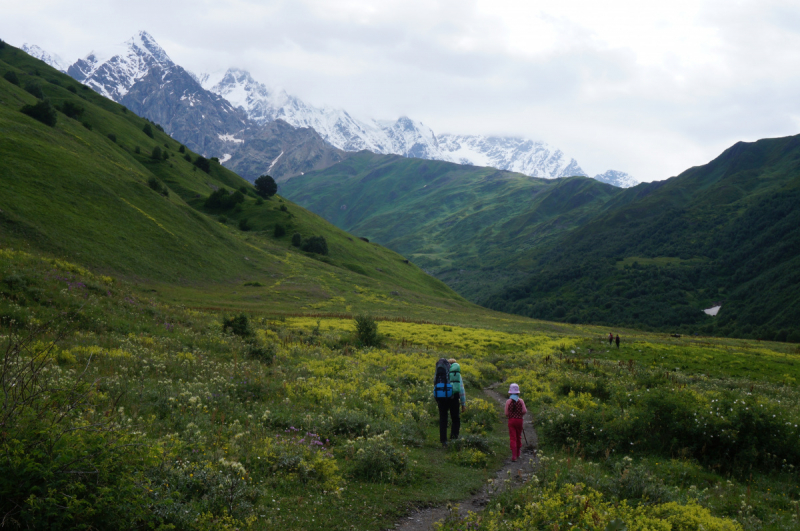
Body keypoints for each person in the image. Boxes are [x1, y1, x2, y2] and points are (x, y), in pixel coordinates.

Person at [504, 383, 527, 462]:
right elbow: (524, 411)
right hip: (519, 421)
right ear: (518, 392)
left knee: (513, 438)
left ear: (510, 392)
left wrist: (511, 415)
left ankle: (514, 456)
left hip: (511, 421)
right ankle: (518, 453)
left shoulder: (508, 402)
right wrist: (520, 414)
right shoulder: (521, 401)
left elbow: (506, 413)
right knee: (518, 436)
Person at [447, 359, 466, 441]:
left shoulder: (445, 373)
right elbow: (461, 390)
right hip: (455, 397)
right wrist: (463, 404)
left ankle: (443, 440)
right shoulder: (457, 374)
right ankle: (454, 437)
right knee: (455, 418)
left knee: (444, 418)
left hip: (445, 397)